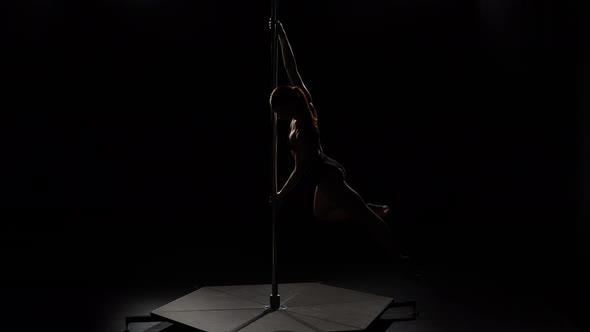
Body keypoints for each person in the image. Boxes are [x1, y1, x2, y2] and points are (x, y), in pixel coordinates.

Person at [270, 20, 409, 262]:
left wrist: (281, 194)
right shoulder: (302, 101)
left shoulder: (303, 128)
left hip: (326, 176)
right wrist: (282, 35)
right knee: (321, 214)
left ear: (288, 106)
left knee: (365, 219)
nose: (276, 116)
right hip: (321, 173)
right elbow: (290, 66)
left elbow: (300, 169)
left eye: (277, 110)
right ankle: (368, 208)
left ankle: (399, 256)